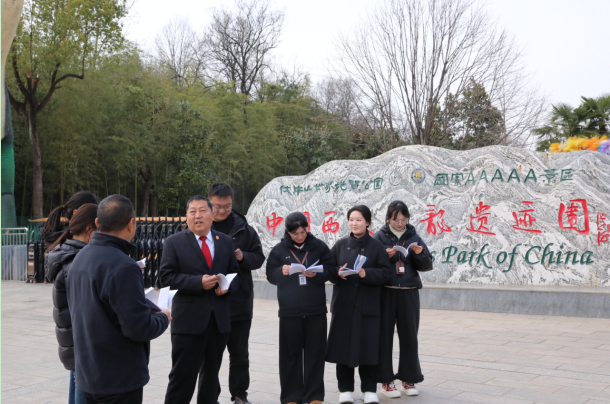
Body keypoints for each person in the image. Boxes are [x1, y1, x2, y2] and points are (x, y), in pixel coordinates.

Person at [66, 195, 171, 404]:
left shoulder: (80, 258)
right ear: (131, 224)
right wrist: (163, 317)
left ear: (97, 222)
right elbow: (138, 328)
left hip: (88, 373)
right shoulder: (123, 266)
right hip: (118, 379)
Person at [160, 195, 240, 404]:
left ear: (212, 215)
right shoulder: (173, 242)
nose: (198, 216)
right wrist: (197, 282)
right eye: (192, 211)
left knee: (211, 378)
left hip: (218, 320)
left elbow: (235, 274)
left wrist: (227, 287)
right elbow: (166, 277)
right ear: (186, 216)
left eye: (202, 210)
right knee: (182, 376)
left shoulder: (225, 241)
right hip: (188, 321)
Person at [266, 212, 335, 404]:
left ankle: (314, 396)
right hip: (289, 310)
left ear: (307, 228)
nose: (300, 236)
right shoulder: (279, 250)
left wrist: (317, 274)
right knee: (290, 354)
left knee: (315, 353)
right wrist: (282, 271)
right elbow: (270, 274)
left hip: (315, 309)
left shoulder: (319, 246)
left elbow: (331, 270)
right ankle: (291, 396)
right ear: (287, 231)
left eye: (303, 232)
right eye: (295, 233)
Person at [326, 205, 391, 404]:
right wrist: (337, 272)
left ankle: (369, 389)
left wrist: (366, 273)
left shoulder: (376, 246)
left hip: (367, 306)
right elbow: (328, 269)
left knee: (368, 348)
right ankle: (345, 389)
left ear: (368, 222)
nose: (354, 223)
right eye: (351, 219)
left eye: (359, 220)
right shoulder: (340, 245)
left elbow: (386, 273)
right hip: (344, 305)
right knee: (343, 348)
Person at [208, 182, 265, 404]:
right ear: (209, 203)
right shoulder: (202, 228)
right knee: (211, 355)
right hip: (211, 302)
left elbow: (258, 258)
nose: (222, 211)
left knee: (240, 354)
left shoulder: (244, 229)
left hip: (239, 301)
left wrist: (243, 257)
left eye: (227, 206)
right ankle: (210, 396)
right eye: (217, 206)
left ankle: (240, 394)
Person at [373, 201, 433, 398]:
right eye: (395, 220)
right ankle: (386, 381)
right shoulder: (379, 237)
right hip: (386, 291)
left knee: (409, 336)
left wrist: (420, 254)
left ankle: (409, 379)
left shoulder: (414, 236)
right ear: (388, 219)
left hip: (409, 291)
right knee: (384, 336)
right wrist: (385, 255)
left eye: (403, 220)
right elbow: (370, 262)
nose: (400, 224)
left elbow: (426, 265)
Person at [46, 203, 98, 404]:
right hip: (80, 343)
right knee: (82, 392)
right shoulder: (77, 260)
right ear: (90, 228)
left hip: (74, 342)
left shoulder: (68, 253)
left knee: (77, 388)